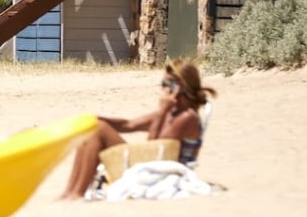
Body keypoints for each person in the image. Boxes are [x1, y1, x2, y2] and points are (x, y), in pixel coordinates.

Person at [60, 59, 217, 200]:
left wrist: (162, 111)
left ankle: (76, 193)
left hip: (159, 169)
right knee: (94, 127)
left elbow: (155, 148)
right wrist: (96, 118)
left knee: (98, 130)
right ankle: (69, 192)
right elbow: (129, 124)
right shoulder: (172, 112)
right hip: (151, 162)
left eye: (165, 85)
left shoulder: (187, 117)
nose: (162, 89)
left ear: (179, 87)